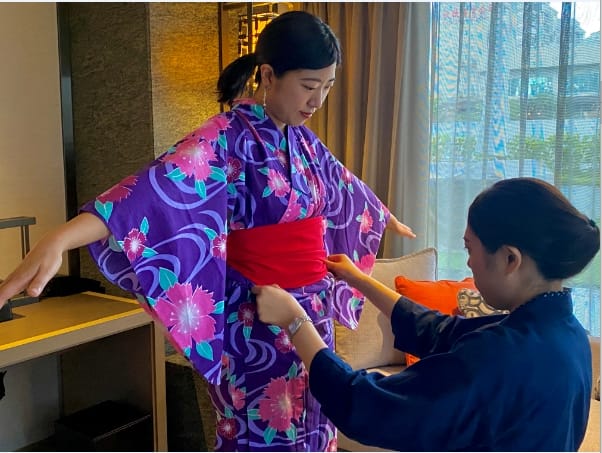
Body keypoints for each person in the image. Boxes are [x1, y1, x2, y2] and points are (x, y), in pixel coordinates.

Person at [0, 10, 415, 452]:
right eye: (309, 86)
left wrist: (379, 212)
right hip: (254, 319)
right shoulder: (225, 137)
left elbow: (345, 187)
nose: (317, 101)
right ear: (268, 75)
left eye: (327, 87)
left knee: (317, 423)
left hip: (310, 317)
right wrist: (60, 238)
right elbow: (151, 193)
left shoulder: (305, 142)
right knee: (258, 432)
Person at [252, 177, 600, 452]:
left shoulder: (501, 356)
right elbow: (441, 331)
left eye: (470, 248)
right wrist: (360, 280)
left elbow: (368, 404)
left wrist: (295, 321)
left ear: (510, 259)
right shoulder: (567, 334)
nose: (468, 262)